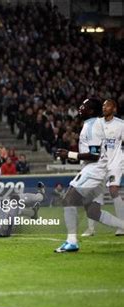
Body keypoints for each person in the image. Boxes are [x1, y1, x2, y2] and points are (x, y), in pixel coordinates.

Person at [54, 98, 124, 253]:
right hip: (98, 169)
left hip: (94, 169)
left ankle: (72, 242)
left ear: (91, 111)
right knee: (93, 211)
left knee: (69, 199)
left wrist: (69, 154)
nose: (80, 108)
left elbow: (94, 154)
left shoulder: (92, 126)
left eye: (83, 106)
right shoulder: (92, 124)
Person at [81, 99, 124, 237]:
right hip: (100, 164)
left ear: (114, 109)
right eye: (104, 105)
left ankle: (122, 226)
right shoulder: (96, 123)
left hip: (115, 163)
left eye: (108, 105)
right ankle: (91, 228)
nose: (105, 107)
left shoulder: (121, 125)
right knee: (93, 194)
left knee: (113, 190)